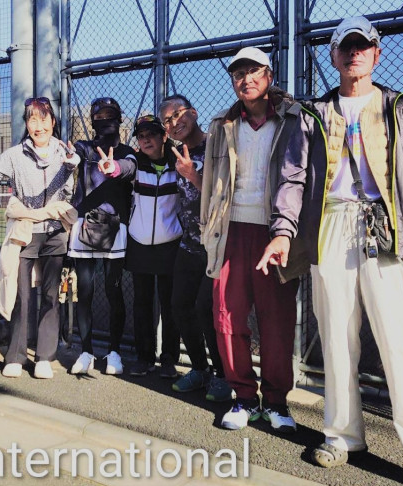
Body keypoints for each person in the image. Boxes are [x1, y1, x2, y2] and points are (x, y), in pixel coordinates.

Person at [259, 16, 403, 486]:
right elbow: (293, 178)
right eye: (346, 46)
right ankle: (342, 435)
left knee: (402, 344)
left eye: (363, 46)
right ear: (334, 56)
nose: (355, 53)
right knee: (335, 337)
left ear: (376, 54)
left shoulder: (399, 107)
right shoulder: (312, 114)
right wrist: (283, 232)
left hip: (387, 229)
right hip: (331, 225)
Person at [200, 47, 307, 432]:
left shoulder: (294, 118)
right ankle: (243, 396)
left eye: (254, 71)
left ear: (269, 75)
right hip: (230, 231)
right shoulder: (222, 124)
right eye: (238, 74)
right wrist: (208, 227)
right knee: (227, 316)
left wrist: (292, 232)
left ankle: (276, 401)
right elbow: (210, 182)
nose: (246, 79)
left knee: (276, 320)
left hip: (275, 232)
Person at [0, 97, 78, 379]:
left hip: (55, 232)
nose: (38, 126)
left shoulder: (65, 153)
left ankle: (44, 357)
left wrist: (71, 168)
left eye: (43, 119)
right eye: (32, 119)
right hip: (24, 233)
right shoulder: (15, 155)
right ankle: (15, 356)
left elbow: (67, 195)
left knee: (52, 295)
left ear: (53, 121)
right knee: (21, 294)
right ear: (26, 124)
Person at [158, 94, 232, 402]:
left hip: (216, 246)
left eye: (178, 114)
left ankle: (224, 375)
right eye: (167, 121)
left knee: (206, 308)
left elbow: (226, 196)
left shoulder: (217, 146)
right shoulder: (173, 153)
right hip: (188, 244)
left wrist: (194, 176)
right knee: (179, 305)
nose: (174, 123)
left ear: (194, 112)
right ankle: (200, 369)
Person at [67, 97, 137, 376]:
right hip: (84, 225)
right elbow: (73, 156)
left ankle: (114, 353)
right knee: (84, 291)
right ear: (93, 120)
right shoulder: (84, 147)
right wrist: (70, 158)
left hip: (115, 227)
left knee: (113, 291)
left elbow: (129, 168)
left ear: (119, 119)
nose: (105, 120)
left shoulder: (128, 151)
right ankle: (86, 351)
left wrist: (114, 168)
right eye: (99, 116)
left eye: (110, 115)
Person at [126, 115, 182, 378]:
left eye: (151, 134)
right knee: (142, 303)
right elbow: (121, 169)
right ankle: (144, 357)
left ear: (164, 136)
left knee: (170, 305)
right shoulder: (136, 163)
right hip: (139, 243)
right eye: (141, 136)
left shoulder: (178, 163)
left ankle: (169, 359)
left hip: (170, 244)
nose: (146, 140)